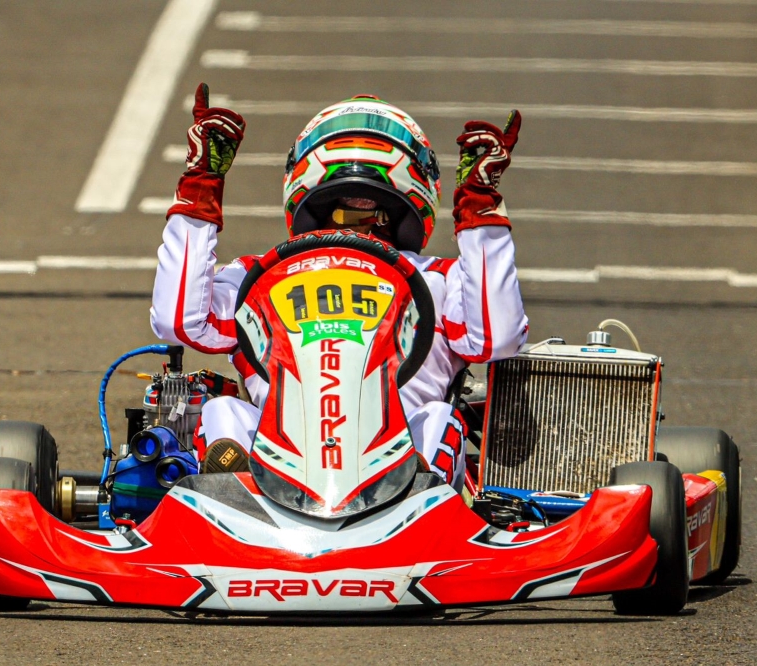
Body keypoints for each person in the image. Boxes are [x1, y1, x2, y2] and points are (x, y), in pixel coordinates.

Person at [151, 83, 528, 491]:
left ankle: (415, 487)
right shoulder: (258, 275)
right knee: (223, 410)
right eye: (344, 207)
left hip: (397, 470)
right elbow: (179, 322)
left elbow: (498, 339)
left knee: (438, 419)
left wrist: (480, 208)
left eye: (373, 211)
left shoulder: (438, 279)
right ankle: (230, 494)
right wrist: (199, 189)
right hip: (276, 470)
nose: (358, 218)